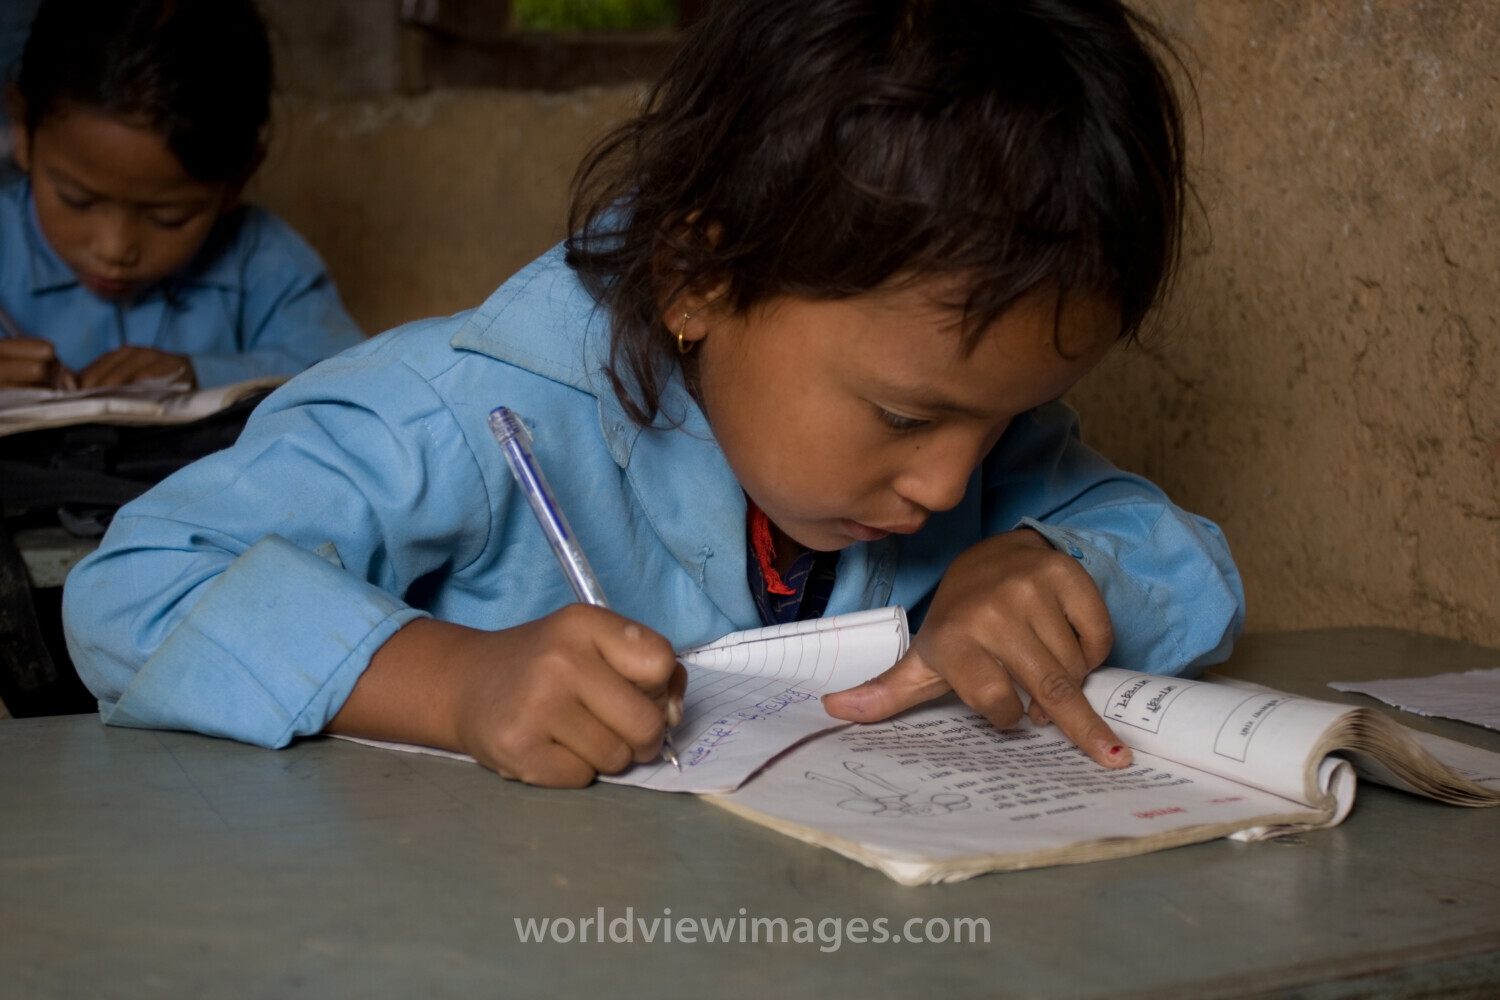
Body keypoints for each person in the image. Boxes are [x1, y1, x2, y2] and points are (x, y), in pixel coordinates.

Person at [63, 0, 1245, 788]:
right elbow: (132, 586)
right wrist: (450, 683)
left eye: (1000, 421)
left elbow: (1185, 561)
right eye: (905, 417)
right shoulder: (463, 415)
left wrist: (1054, 569)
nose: (950, 482)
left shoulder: (972, 437)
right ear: (697, 280)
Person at [0, 0, 363, 391]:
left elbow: (352, 377)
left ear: (237, 182)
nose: (115, 250)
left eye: (168, 218)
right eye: (77, 200)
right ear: (23, 132)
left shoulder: (264, 263)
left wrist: (200, 374)